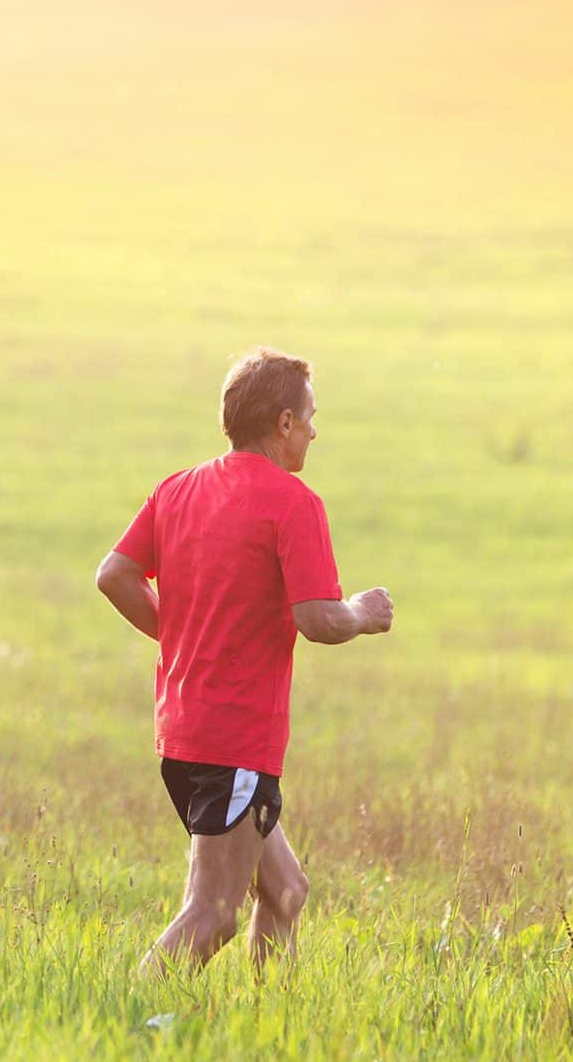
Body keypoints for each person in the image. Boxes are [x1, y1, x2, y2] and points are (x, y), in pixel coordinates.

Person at [97, 347, 392, 974]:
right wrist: (363, 612)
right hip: (233, 740)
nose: (316, 430)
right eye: (310, 416)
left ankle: (272, 1026)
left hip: (182, 732)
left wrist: (177, 638)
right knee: (215, 912)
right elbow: (318, 619)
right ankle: (127, 1006)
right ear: (283, 423)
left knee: (285, 892)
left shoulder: (177, 488)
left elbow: (115, 575)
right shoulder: (294, 503)